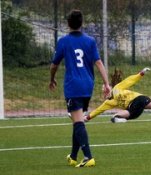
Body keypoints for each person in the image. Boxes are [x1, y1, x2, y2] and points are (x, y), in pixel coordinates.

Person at [49, 9, 111, 168]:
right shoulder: (90, 41)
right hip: (87, 85)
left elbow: (54, 65)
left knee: (78, 121)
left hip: (73, 86)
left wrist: (52, 79)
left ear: (68, 24)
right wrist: (106, 83)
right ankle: (74, 156)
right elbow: (98, 63)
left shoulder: (63, 41)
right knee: (77, 119)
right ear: (81, 23)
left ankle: (88, 157)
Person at [84, 67, 151, 122]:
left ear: (110, 87)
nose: (104, 91)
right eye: (103, 91)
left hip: (140, 98)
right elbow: (98, 110)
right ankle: (118, 118)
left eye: (105, 89)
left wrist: (141, 73)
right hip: (133, 109)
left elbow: (130, 80)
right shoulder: (108, 103)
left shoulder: (117, 88)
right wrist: (87, 118)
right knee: (126, 114)